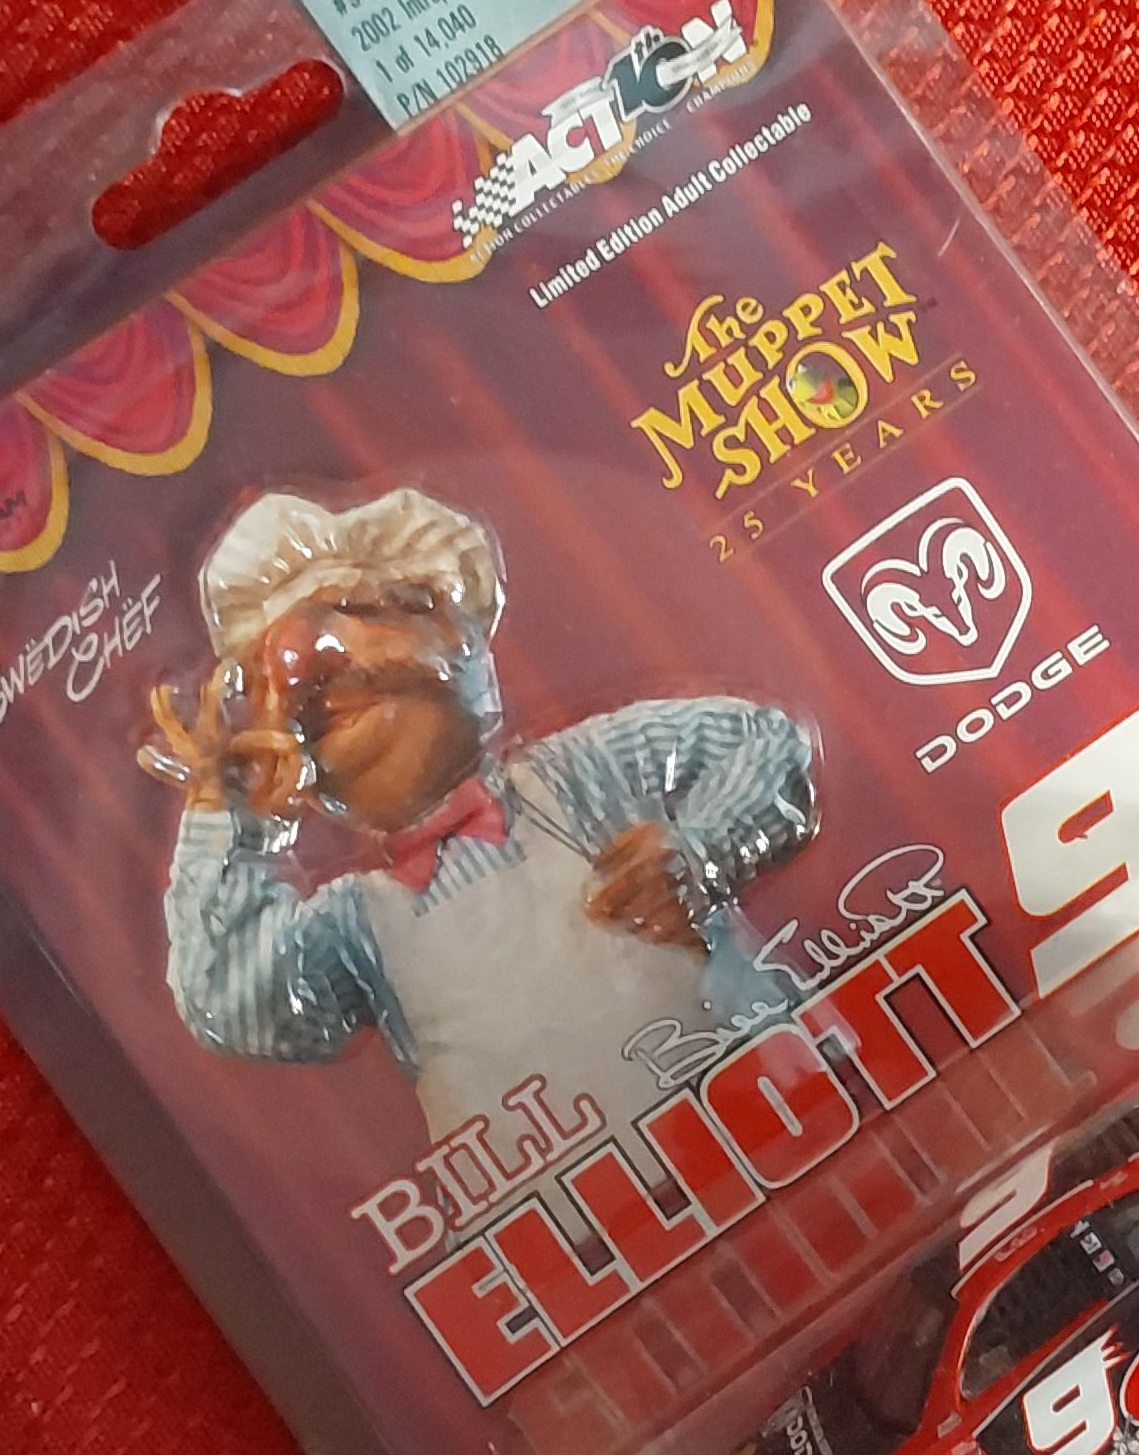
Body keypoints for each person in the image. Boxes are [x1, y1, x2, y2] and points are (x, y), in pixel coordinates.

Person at [140, 488, 819, 1235]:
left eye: (354, 613)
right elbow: (230, 1002)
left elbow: (765, 743)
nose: (311, 675)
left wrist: (705, 854)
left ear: (444, 623)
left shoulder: (584, 773)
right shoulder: (359, 925)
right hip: (585, 1241)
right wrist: (230, 812)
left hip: (780, 1125)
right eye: (286, 687)